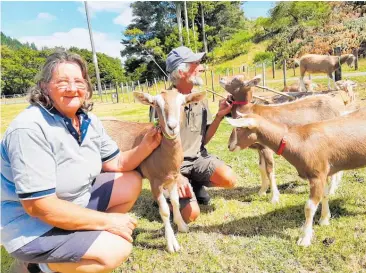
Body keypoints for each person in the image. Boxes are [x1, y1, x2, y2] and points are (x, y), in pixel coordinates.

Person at [1, 51, 162, 273]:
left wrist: (146, 146)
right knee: (116, 249)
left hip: (74, 202)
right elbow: (39, 207)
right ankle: (37, 266)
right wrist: (108, 222)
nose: (72, 88)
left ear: (86, 87)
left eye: (79, 81)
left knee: (131, 180)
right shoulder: (30, 128)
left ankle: (82, 238)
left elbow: (117, 163)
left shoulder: (88, 121)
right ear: (44, 87)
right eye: (62, 81)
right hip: (33, 226)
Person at [165, 46, 237, 223]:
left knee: (230, 180)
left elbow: (203, 138)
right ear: (181, 72)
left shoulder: (200, 97)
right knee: (191, 215)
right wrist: (177, 175)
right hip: (172, 166)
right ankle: (165, 193)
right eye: (195, 64)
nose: (201, 67)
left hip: (197, 159)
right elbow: (157, 150)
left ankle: (194, 184)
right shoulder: (164, 102)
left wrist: (220, 115)